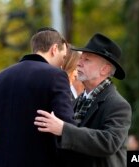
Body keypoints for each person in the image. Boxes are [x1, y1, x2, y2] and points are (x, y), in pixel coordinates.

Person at [34, 33, 132, 167]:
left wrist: (63, 129)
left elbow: (109, 142)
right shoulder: (75, 102)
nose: (79, 63)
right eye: (81, 58)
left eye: (87, 60)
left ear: (105, 69)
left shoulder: (118, 105)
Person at [0, 27, 75, 167]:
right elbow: (66, 128)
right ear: (54, 49)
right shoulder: (56, 76)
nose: (62, 64)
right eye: (63, 57)